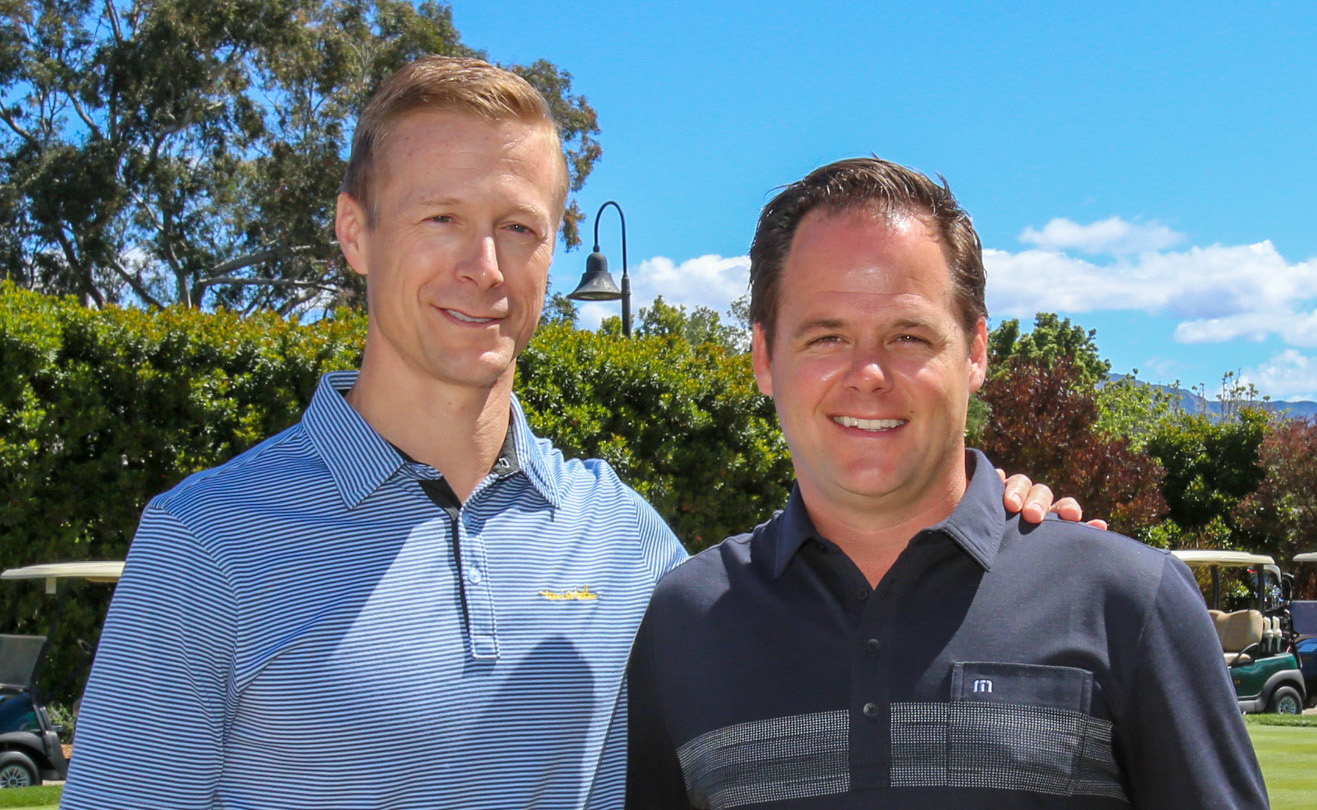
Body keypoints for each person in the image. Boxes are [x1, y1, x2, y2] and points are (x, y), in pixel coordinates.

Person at [62, 60, 1074, 809]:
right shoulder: (206, 542)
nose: (484, 269)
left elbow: (832, 625)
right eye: (439, 221)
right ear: (354, 233)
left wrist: (1000, 529)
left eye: (519, 228)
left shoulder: (630, 543)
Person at [626, 157, 1269, 809]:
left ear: (975, 352)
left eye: (908, 336)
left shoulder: (1129, 602)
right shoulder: (683, 622)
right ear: (764, 358)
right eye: (825, 337)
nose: (868, 374)